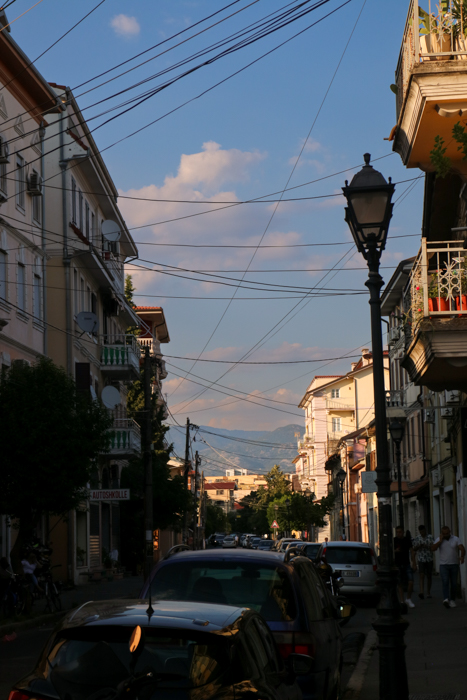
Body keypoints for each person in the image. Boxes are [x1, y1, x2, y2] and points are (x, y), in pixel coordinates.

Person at [431, 526, 465, 608]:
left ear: (450, 532)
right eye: (444, 534)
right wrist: (440, 541)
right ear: (441, 533)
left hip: (454, 564)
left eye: (447, 533)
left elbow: (462, 548)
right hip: (444, 565)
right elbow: (433, 548)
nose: (446, 535)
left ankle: (452, 600)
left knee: (453, 583)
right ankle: (446, 598)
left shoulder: (455, 539)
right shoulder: (439, 539)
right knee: (445, 581)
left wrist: (462, 556)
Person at [394, 525, 415, 608]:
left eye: (400, 532)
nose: (398, 534)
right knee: (400, 583)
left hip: (406, 563)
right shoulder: (394, 540)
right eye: (397, 532)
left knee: (411, 581)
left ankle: (408, 598)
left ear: (403, 532)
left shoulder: (407, 540)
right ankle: (402, 601)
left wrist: (414, 563)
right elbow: (391, 551)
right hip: (398, 564)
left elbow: (412, 551)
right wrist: (395, 550)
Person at [412, 525, 434, 599]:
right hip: (421, 559)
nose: (422, 533)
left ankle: (428, 592)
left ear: (425, 530)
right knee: (421, 575)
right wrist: (419, 546)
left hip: (429, 558)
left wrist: (427, 546)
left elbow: (433, 547)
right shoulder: (418, 538)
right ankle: (421, 592)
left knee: (429, 575)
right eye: (420, 531)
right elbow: (414, 549)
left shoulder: (430, 537)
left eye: (423, 531)